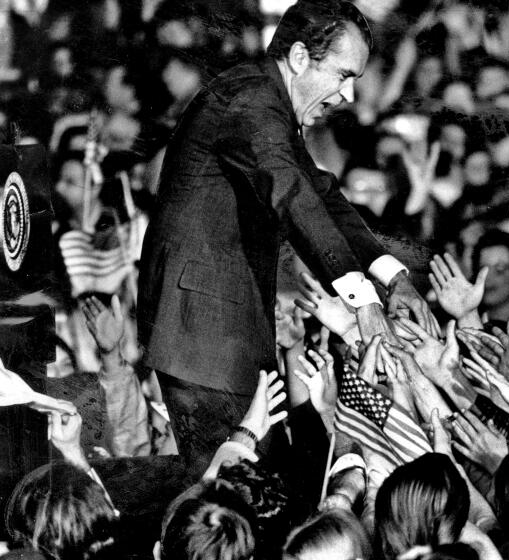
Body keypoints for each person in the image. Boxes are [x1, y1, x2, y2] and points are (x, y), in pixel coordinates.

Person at [137, 0, 436, 464]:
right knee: (235, 497)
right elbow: (295, 199)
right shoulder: (252, 100)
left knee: (255, 489)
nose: (348, 97)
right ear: (299, 58)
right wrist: (365, 302)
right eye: (343, 76)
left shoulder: (267, 102)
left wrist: (393, 278)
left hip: (216, 331)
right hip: (204, 335)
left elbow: (322, 196)